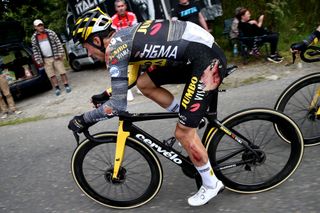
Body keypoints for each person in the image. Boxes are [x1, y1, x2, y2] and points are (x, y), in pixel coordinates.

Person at [68, 7, 226, 206]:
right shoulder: (123, 38)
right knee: (145, 84)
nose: (88, 52)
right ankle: (187, 115)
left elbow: (117, 106)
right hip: (198, 53)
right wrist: (106, 93)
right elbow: (132, 77)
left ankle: (212, 184)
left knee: (183, 133)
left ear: (96, 40)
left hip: (206, 61)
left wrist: (84, 119)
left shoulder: (114, 50)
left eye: (86, 46)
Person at [31, 19, 71, 96]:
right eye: (38, 26)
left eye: (41, 25)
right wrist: (38, 60)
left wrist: (60, 53)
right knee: (51, 75)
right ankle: (57, 88)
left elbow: (58, 43)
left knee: (62, 71)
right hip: (45, 59)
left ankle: (66, 85)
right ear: (35, 27)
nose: (41, 27)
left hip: (55, 56)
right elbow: (35, 50)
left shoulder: (50, 32)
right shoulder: (34, 38)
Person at [111, 0, 138, 101]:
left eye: (122, 6)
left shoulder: (131, 15)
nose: (121, 8)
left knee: (137, 66)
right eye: (118, 6)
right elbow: (113, 35)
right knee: (123, 70)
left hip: (133, 44)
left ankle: (139, 86)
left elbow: (136, 30)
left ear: (125, 6)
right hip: (120, 47)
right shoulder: (113, 19)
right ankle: (128, 90)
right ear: (116, 8)